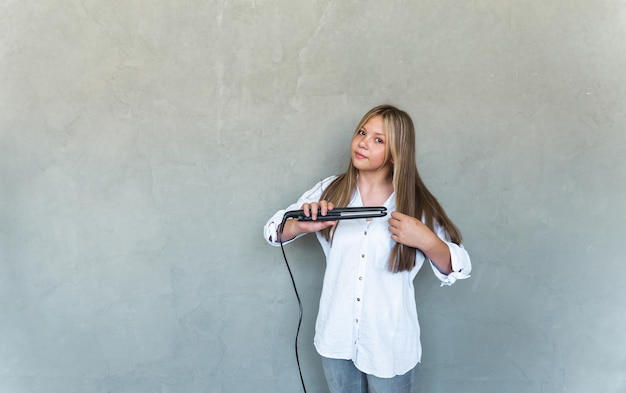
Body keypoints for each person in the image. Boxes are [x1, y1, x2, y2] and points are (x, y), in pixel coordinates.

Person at [263, 104, 471, 393]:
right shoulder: (331, 190)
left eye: (378, 139)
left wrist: (426, 239)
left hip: (390, 343)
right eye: (362, 132)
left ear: (397, 151)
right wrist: (300, 225)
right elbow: (273, 231)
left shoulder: (416, 204)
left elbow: (460, 266)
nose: (363, 142)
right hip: (336, 336)